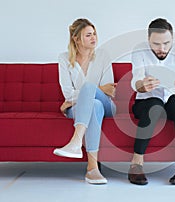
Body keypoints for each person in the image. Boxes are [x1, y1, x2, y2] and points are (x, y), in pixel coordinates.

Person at [128, 18, 175, 185]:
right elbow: (136, 79)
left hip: (172, 100)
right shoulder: (139, 50)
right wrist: (142, 85)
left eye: (166, 43)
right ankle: (136, 164)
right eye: (156, 44)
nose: (162, 49)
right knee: (155, 106)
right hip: (147, 101)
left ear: (172, 39)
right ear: (148, 40)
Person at [53, 18, 116, 185]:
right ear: (76, 38)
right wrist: (92, 92)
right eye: (88, 35)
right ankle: (92, 169)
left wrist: (90, 91)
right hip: (82, 107)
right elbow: (67, 93)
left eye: (94, 34)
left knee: (90, 90)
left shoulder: (103, 56)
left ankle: (75, 141)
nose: (94, 38)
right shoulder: (64, 59)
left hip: (107, 104)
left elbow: (110, 90)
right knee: (93, 105)